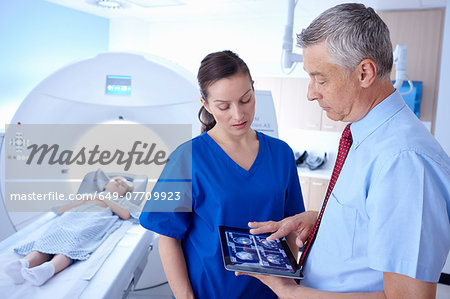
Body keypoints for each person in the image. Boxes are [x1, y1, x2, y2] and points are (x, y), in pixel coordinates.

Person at [237, 3, 450, 298]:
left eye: (320, 79)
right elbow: (368, 218)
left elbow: (408, 297)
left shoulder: (405, 161)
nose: (311, 93)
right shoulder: (363, 133)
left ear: (364, 73)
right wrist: (324, 222)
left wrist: (290, 293)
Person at [139, 50, 305, 298]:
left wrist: (289, 290)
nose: (238, 115)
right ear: (206, 104)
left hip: (270, 293)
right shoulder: (187, 158)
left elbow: (289, 229)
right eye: (224, 106)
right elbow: (168, 238)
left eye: (246, 100)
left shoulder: (281, 154)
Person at [4, 174, 138, 286]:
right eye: (116, 180)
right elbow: (61, 210)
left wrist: (105, 199)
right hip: (70, 219)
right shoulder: (87, 196)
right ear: (105, 185)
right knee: (48, 241)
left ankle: (48, 269)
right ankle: (23, 264)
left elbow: (126, 215)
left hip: (93, 220)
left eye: (123, 185)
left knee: (72, 242)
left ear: (124, 193)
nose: (119, 182)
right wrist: (81, 202)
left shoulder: (119, 200)